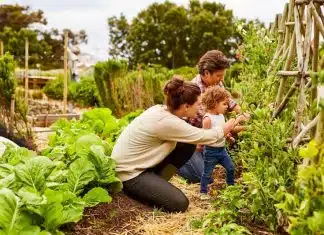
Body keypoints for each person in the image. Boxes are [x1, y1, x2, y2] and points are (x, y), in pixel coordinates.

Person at [111, 76, 234, 213]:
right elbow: (204, 137)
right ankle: (137, 191)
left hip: (141, 164)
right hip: (129, 174)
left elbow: (193, 137)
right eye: (198, 104)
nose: (201, 108)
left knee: (187, 145)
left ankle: (158, 180)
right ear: (186, 106)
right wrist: (226, 127)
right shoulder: (166, 122)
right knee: (180, 203)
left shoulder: (162, 110)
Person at [178, 50, 243, 183]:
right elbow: (215, 127)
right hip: (191, 142)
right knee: (202, 177)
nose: (222, 79)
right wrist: (240, 125)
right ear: (206, 73)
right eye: (219, 75)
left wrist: (240, 111)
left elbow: (228, 101)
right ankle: (175, 162)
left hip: (208, 138)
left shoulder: (215, 83)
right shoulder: (194, 92)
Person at [199, 86, 246, 200]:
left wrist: (228, 137)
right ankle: (203, 192)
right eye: (224, 104)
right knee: (207, 173)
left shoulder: (221, 116)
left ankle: (231, 187)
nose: (227, 107)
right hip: (211, 151)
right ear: (214, 103)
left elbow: (223, 129)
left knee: (230, 168)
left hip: (222, 150)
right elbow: (208, 137)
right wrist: (236, 121)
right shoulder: (207, 119)